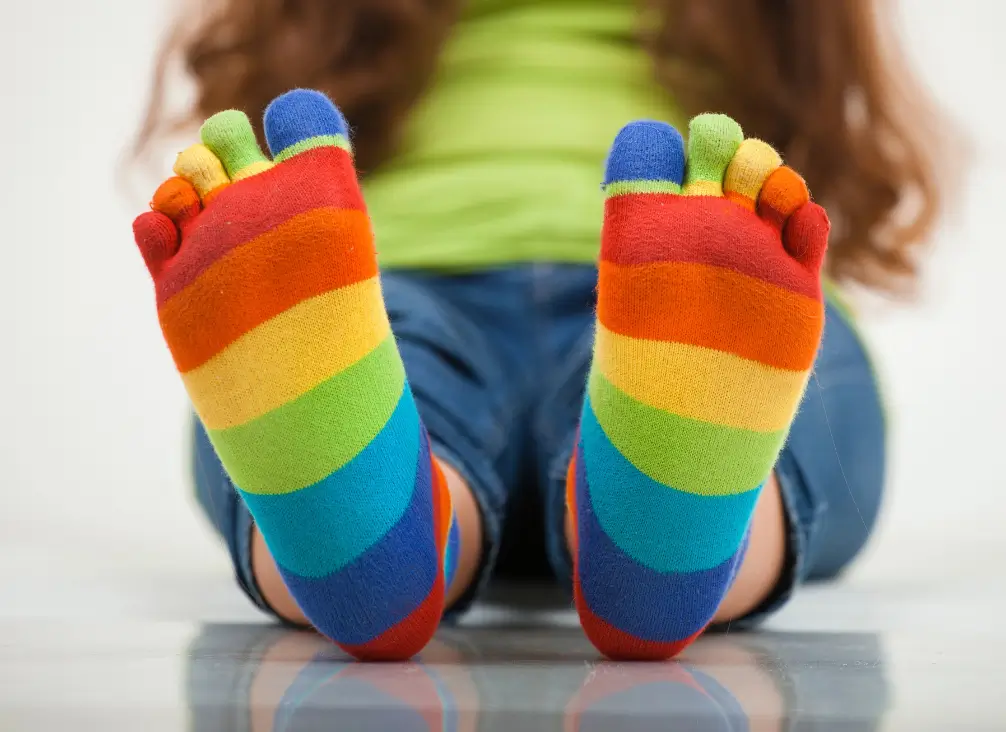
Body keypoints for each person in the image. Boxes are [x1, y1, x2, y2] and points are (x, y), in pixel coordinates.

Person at [132, 0, 945, 661]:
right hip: (379, 296)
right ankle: (668, 551)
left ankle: (385, 546)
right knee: (771, 424)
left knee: (338, 414)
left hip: (663, 278)